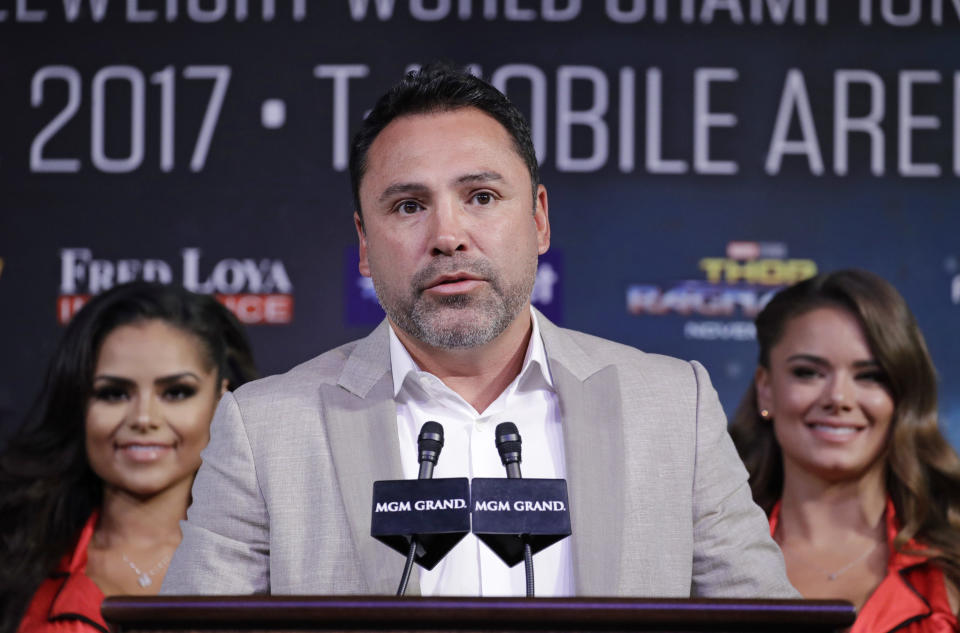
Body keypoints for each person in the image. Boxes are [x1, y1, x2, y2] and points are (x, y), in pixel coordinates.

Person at [162, 62, 796, 598]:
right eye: (409, 206)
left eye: (482, 196)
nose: (447, 236)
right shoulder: (266, 428)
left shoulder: (670, 407)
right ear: (362, 243)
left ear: (540, 219)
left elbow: (767, 627)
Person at [0, 282, 257, 633]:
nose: (143, 418)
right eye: (114, 393)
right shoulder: (12, 554)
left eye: (177, 392)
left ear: (220, 399)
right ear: (79, 401)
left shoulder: (270, 565)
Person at [730, 269, 960, 632]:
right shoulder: (705, 562)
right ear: (766, 389)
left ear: (901, 396)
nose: (838, 398)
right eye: (808, 373)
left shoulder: (952, 566)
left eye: (870, 376)